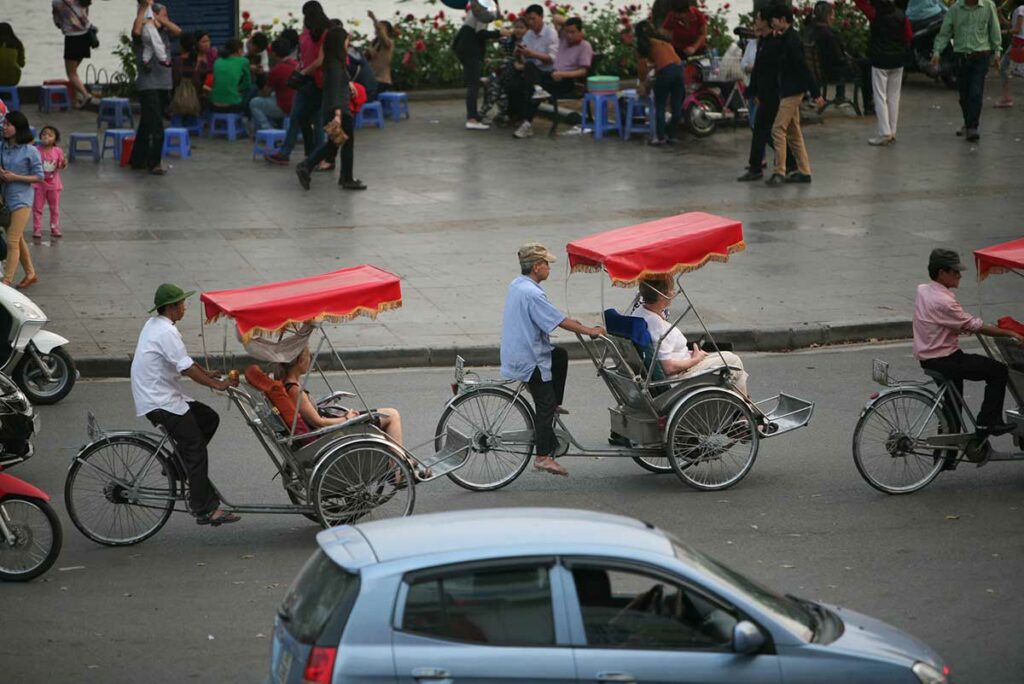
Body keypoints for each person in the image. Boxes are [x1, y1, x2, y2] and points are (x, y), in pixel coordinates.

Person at [131, 284, 241, 526]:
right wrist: (217, 385)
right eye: (181, 303)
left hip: (160, 394)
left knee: (208, 418)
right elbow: (187, 368)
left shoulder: (158, 325)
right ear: (171, 307)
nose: (184, 307)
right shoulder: (165, 332)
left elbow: (185, 360)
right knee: (195, 448)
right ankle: (204, 508)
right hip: (159, 400)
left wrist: (209, 373)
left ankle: (174, 467)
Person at [500, 243, 606, 477]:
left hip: (518, 351)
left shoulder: (518, 285)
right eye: (546, 264)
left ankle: (554, 403)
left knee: (560, 355)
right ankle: (542, 457)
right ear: (536, 266)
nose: (549, 268)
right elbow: (557, 320)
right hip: (529, 358)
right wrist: (589, 330)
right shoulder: (533, 292)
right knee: (544, 405)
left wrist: (572, 322)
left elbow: (550, 314)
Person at [913, 249, 1024, 438]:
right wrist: (1009, 332)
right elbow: (974, 325)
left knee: (952, 407)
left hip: (929, 357)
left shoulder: (923, 290)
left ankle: (946, 457)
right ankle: (987, 423)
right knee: (998, 371)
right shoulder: (944, 301)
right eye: (955, 271)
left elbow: (939, 321)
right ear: (941, 273)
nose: (959, 275)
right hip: (945, 359)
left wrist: (956, 326)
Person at [635, 276, 749, 396]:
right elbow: (669, 368)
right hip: (679, 377)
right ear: (661, 295)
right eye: (671, 289)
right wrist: (696, 360)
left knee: (727, 355)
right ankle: (743, 411)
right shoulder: (657, 325)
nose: (674, 292)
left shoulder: (639, 312)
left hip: (684, 360)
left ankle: (743, 406)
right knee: (734, 361)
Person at [278, 346, 404, 446]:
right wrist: (346, 419)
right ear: (301, 361)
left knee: (389, 414)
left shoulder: (288, 384)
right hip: (331, 432)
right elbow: (319, 422)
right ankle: (399, 470)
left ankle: (399, 465)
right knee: (392, 415)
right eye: (309, 356)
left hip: (331, 424)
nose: (310, 359)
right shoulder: (294, 390)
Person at [294, 26, 365, 191]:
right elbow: (334, 92)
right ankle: (346, 178)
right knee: (345, 143)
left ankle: (306, 166)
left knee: (335, 143)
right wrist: (338, 115)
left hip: (334, 110)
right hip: (338, 112)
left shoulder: (333, 63)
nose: (348, 43)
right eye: (346, 40)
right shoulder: (334, 66)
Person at [766, 4, 824, 186]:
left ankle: (780, 171)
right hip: (788, 90)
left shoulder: (793, 40)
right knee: (793, 132)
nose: (772, 24)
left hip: (793, 91)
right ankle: (805, 171)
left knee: (777, 129)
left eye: (773, 21)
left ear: (783, 20)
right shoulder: (785, 37)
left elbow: (803, 67)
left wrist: (815, 93)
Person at [265, 2, 330, 165]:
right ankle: (296, 153)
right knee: (302, 117)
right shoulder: (308, 33)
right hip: (307, 79)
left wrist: (303, 71)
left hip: (315, 80)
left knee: (311, 118)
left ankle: (311, 155)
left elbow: (320, 61)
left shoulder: (323, 34)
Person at [739, 8, 798, 182]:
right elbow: (758, 70)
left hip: (772, 92)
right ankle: (769, 164)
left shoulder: (774, 43)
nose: (755, 22)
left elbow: (771, 70)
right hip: (764, 92)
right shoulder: (763, 42)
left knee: (765, 130)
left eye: (758, 19)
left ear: (766, 22)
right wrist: (753, 90)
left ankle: (767, 166)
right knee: (764, 130)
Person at [932, 0, 1002, 142]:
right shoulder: (955, 9)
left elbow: (994, 29)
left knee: (976, 92)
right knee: (964, 95)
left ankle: (972, 127)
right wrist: (937, 52)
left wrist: (997, 51)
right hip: (961, 57)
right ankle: (968, 122)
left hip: (981, 56)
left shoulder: (988, 6)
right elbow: (945, 32)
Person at [514, 16, 592, 139]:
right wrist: (568, 25)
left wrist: (563, 74)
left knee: (531, 89)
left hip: (567, 80)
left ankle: (527, 123)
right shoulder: (563, 39)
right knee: (529, 66)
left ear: (580, 32)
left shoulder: (584, 46)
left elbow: (583, 71)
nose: (569, 35)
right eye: (567, 32)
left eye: (573, 32)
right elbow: (555, 18)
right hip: (552, 75)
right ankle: (538, 91)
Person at [129, 0, 181, 176]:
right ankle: (154, 163)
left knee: (146, 123)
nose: (166, 19)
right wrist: (145, 9)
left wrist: (161, 19)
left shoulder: (164, 33)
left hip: (164, 84)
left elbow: (178, 31)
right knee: (157, 126)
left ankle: (137, 159)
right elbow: (135, 31)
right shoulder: (144, 33)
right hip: (148, 84)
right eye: (164, 15)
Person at [853, 0, 913, 145]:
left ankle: (884, 132)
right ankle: (892, 131)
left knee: (880, 96)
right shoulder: (901, 15)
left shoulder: (874, 14)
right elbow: (909, 36)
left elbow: (860, 3)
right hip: (898, 61)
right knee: (894, 97)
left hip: (880, 61)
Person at [809, 2, 874, 115]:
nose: (834, 18)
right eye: (833, 15)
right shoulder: (828, 34)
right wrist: (850, 59)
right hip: (833, 72)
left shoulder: (814, 31)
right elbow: (839, 59)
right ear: (827, 16)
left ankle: (869, 103)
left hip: (823, 69)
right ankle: (868, 103)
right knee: (866, 64)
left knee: (862, 61)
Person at [0, 110, 41, 289]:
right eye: (4, 124)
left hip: (22, 200)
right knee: (18, 239)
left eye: (8, 124)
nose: (4, 127)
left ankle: (6, 282)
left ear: (18, 128)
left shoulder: (30, 151)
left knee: (12, 240)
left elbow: (39, 177)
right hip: (5, 199)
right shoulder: (2, 147)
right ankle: (31, 273)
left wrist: (15, 177)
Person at [507, 4, 560, 137]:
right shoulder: (529, 35)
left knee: (528, 81)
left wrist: (532, 54)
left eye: (533, 19)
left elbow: (552, 59)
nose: (531, 23)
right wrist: (518, 52)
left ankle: (526, 123)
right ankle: (519, 117)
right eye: (528, 19)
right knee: (511, 81)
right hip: (531, 72)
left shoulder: (551, 33)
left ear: (541, 17)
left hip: (548, 72)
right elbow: (523, 57)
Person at [453, 0, 502, 130]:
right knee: (473, 85)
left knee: (472, 83)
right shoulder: (483, 10)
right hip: (469, 49)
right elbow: (480, 34)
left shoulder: (476, 9)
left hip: (463, 47)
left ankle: (474, 115)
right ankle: (472, 119)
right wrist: (500, 33)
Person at [635, 20, 683, 146]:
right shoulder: (663, 42)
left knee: (660, 105)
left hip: (666, 72)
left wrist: (642, 83)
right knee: (676, 105)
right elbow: (664, 62)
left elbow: (642, 69)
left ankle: (660, 138)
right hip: (679, 69)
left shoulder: (644, 46)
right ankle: (672, 136)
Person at [479, 18, 528, 124]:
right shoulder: (510, 41)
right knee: (497, 88)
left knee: (496, 83)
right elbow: (495, 40)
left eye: (522, 27)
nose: (518, 30)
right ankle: (500, 113)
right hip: (508, 73)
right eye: (516, 27)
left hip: (520, 74)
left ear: (528, 30)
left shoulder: (530, 43)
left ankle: (484, 112)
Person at [51, 0, 97, 108]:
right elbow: (86, 13)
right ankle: (76, 100)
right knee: (74, 72)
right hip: (86, 36)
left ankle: (86, 95)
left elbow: (57, 22)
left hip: (72, 38)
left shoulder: (56, 2)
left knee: (71, 73)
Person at [249, 38, 296, 131]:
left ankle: (267, 129)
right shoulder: (297, 64)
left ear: (274, 53)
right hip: (297, 104)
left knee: (254, 102)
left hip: (284, 107)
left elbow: (266, 92)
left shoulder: (277, 70)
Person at [32, 126, 65, 240]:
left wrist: (64, 163)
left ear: (55, 139)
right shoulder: (36, 150)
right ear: (40, 136)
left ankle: (54, 227)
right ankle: (37, 229)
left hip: (54, 184)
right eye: (44, 134)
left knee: (54, 207)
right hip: (39, 185)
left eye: (50, 135)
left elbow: (60, 165)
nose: (46, 136)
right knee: (37, 208)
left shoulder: (58, 151)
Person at [209, 38, 251, 113]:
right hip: (232, 105)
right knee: (253, 88)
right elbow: (247, 83)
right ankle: (248, 116)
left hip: (213, 103)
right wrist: (238, 89)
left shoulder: (217, 61)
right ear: (239, 50)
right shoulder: (243, 61)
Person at [995, 0, 1024, 107]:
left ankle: (1006, 98)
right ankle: (1006, 98)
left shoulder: (1021, 9)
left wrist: (1003, 32)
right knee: (1004, 68)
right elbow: (1010, 25)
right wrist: (999, 14)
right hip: (1017, 43)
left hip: (1019, 44)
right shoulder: (1018, 10)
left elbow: (1016, 29)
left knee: (1004, 68)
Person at [365, 11, 397, 94]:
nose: (378, 29)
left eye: (382, 28)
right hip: (371, 78)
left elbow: (381, 34)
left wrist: (374, 19)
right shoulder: (374, 43)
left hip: (382, 80)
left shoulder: (388, 43)